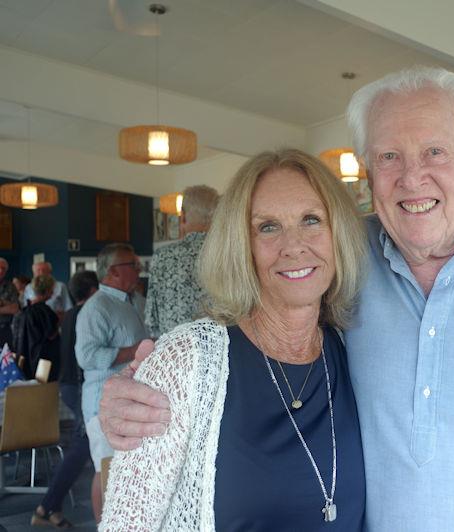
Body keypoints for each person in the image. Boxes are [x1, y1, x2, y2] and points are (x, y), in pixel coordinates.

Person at [100, 67, 454, 530]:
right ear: (367, 174)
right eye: (389, 157)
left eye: (435, 151)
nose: (411, 177)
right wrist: (133, 396)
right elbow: (252, 324)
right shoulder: (347, 257)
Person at [100, 150, 367, 530]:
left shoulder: (350, 349)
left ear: (338, 234)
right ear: (241, 245)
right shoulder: (187, 362)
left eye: (312, 220)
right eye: (268, 227)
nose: (294, 245)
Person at [75, 244, 148, 523]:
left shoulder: (133, 302)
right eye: (134, 264)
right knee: (106, 468)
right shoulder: (97, 308)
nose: (139, 270)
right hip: (102, 402)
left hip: (130, 399)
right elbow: (87, 356)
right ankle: (103, 525)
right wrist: (135, 350)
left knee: (124, 467)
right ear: (115, 272)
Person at [31, 271, 99, 528]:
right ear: (93, 291)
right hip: (80, 387)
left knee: (84, 446)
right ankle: (47, 506)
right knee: (83, 445)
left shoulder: (70, 316)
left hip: (69, 384)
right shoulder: (86, 315)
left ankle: (52, 507)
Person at [145, 185, 219, 338]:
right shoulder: (229, 254)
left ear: (183, 217)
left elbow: (151, 318)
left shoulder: (163, 256)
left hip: (175, 351)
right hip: (220, 348)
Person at [11, 274, 59, 380]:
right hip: (42, 364)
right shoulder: (45, 313)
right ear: (48, 290)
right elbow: (51, 336)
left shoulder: (22, 313)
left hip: (24, 362)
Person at [0, 257, 19, 349]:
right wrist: (6, 305)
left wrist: (2, 302)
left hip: (5, 329)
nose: (0, 271)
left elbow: (15, 308)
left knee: (6, 358)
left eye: (3, 269)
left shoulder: (10, 286)